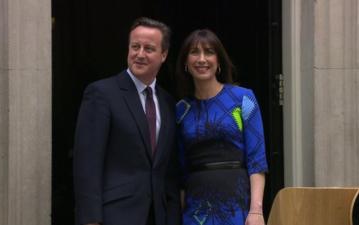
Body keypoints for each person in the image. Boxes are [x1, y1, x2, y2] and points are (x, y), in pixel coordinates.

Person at [73, 17, 181, 225]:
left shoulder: (168, 102)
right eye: (135, 46)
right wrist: (90, 220)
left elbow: (169, 172)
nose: (140, 54)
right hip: (115, 215)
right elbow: (87, 165)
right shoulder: (102, 94)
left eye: (149, 48)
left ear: (164, 55)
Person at [175, 29, 268, 225]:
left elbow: (257, 160)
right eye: (194, 52)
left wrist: (256, 211)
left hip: (237, 204)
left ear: (218, 61)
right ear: (185, 62)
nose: (202, 59)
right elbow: (180, 171)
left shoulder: (244, 99)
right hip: (196, 210)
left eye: (209, 52)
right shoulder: (180, 110)